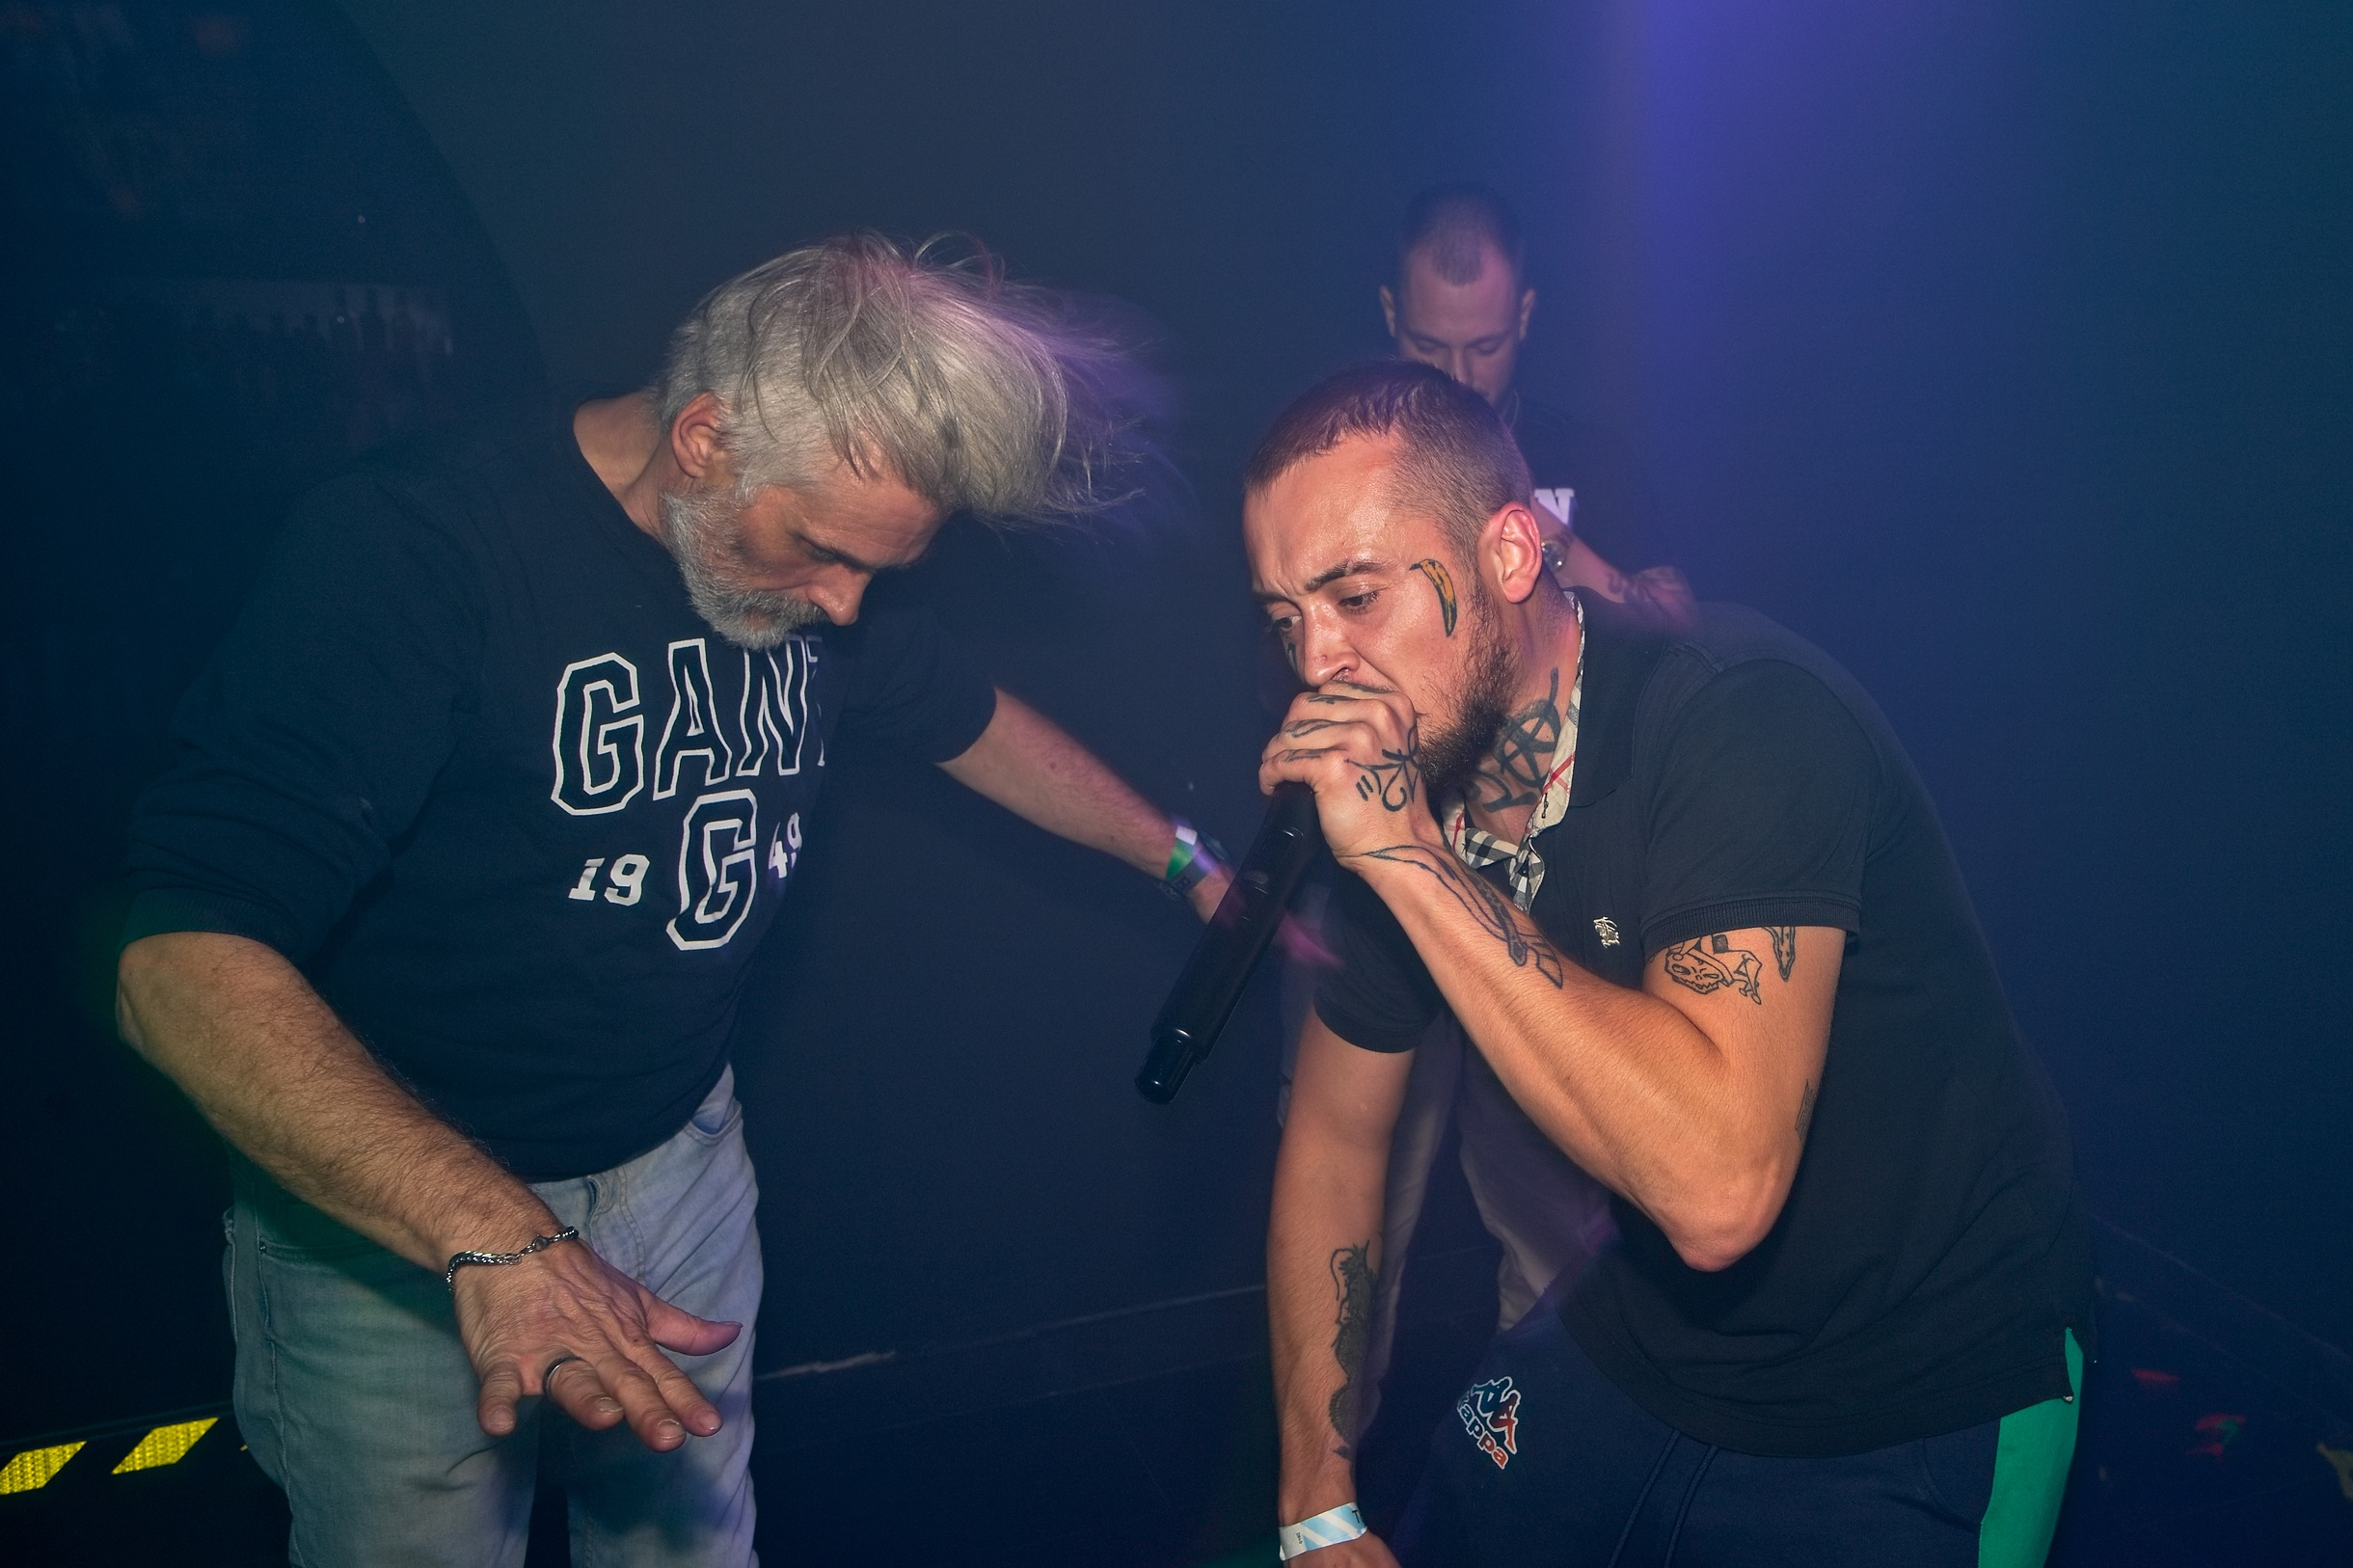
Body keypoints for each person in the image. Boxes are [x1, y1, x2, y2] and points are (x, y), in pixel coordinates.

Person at [112, 234, 1231, 1567]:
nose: (845, 605)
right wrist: (495, 1239)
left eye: (878, 573)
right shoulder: (419, 549)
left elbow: (965, 718)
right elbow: (174, 962)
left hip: (678, 1170)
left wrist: (1185, 865)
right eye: (818, 550)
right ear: (704, 439)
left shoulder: (820, 576)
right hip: (403, 1228)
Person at [1248, 362, 2094, 1565]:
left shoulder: (1741, 717)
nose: (1316, 662)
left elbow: (1717, 1192)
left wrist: (1409, 859)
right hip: (1638, 1324)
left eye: (1355, 597)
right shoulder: (1411, 791)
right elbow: (1336, 1136)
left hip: (1917, 1375)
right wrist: (1316, 1501)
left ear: (1509, 554)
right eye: (1285, 619)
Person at [1381, 182, 1689, 620]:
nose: (1458, 376)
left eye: (1485, 348)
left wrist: (1542, 533)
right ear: (1392, 314)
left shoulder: (1589, 460)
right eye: (1428, 346)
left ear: (1522, 318)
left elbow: (1678, 622)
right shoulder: (1349, 463)